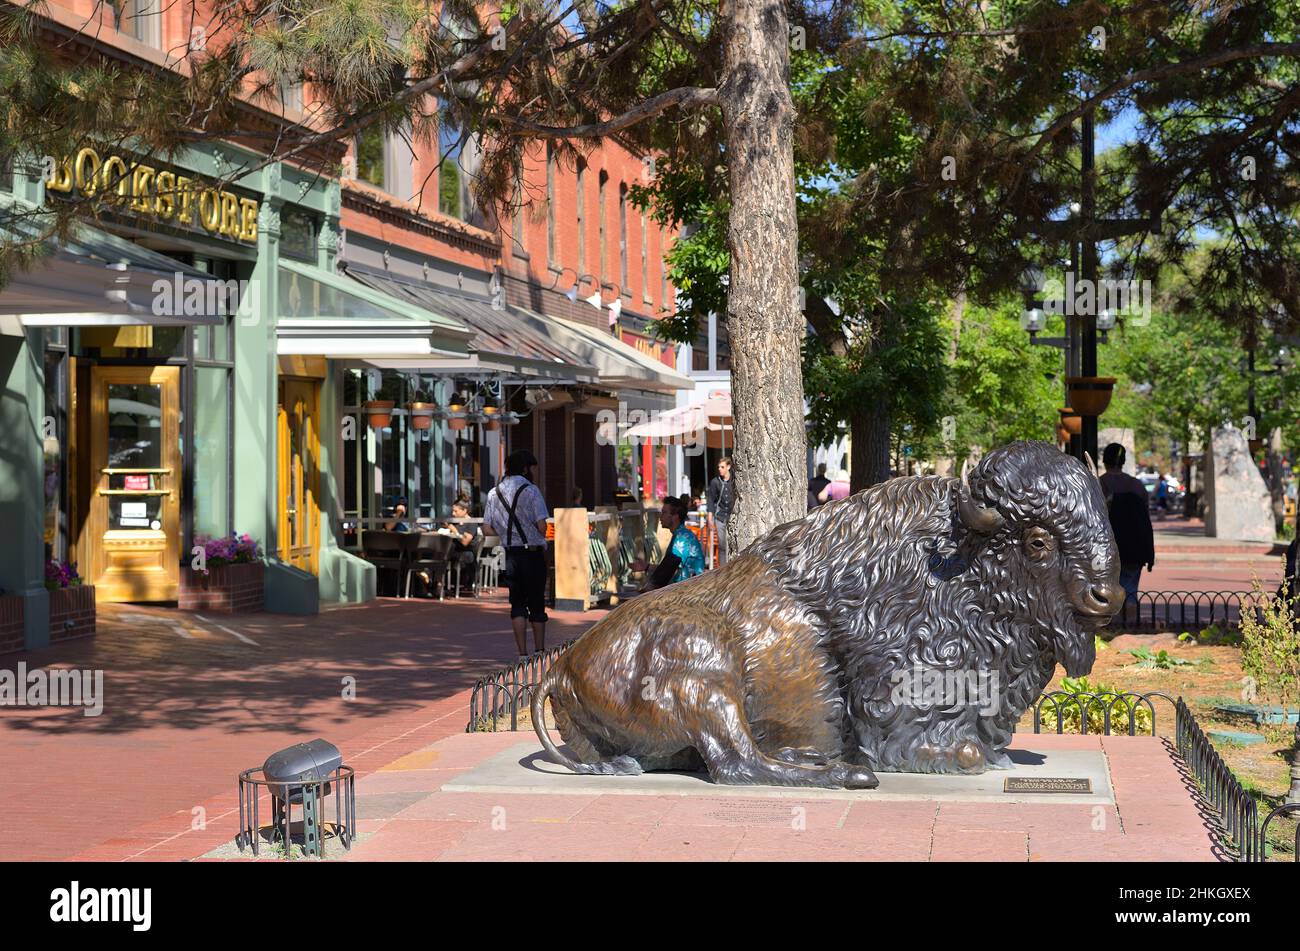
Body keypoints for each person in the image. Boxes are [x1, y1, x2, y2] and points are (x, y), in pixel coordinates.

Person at [483, 450, 550, 660]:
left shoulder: (494, 493)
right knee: (537, 602)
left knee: (517, 604)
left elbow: (486, 528)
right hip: (532, 554)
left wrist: (504, 534)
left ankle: (522, 653)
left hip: (510, 555)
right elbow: (542, 527)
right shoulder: (531, 491)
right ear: (524, 468)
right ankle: (539, 651)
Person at [1099, 443, 1155, 604]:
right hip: (1134, 549)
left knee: (1106, 595)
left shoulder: (1097, 485)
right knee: (1130, 593)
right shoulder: (1137, 486)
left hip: (1106, 549)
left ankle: (1112, 627)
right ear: (1123, 461)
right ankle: (1130, 626)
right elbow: (1145, 519)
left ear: (1104, 460)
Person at [640, 495, 706, 592]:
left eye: (664, 513)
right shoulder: (680, 534)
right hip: (684, 589)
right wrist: (646, 567)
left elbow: (667, 569)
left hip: (688, 592)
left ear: (676, 516)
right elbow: (667, 567)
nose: (660, 517)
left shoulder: (682, 538)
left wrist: (646, 592)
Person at [443, 498, 481, 593]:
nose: (453, 514)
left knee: (445, 556)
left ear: (464, 510)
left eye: (455, 511)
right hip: (452, 551)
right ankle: (436, 583)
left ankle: (440, 583)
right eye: (452, 511)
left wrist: (454, 530)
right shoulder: (454, 522)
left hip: (465, 553)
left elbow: (465, 542)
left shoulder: (471, 523)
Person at [707, 456, 735, 565]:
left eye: (722, 467)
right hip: (720, 517)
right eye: (719, 467)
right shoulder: (715, 482)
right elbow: (711, 500)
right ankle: (723, 568)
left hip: (732, 517)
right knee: (722, 545)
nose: (720, 469)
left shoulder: (734, 480)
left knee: (733, 544)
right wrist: (710, 517)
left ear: (728, 467)